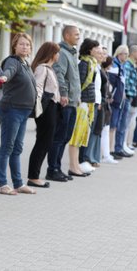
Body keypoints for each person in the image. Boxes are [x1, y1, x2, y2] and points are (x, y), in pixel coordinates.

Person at [0, 33, 37, 195]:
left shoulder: (26, 64)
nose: (25, 47)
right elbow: (9, 70)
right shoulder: (13, 61)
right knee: (7, 147)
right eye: (21, 44)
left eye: (27, 45)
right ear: (15, 46)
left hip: (24, 111)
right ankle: (2, 184)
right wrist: (5, 76)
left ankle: (18, 183)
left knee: (17, 148)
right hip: (12, 109)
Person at [46, 25, 81, 182]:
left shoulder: (72, 53)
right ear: (67, 35)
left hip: (73, 102)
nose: (78, 37)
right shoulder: (62, 52)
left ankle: (58, 168)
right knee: (59, 137)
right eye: (76, 34)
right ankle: (52, 169)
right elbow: (60, 75)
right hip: (65, 102)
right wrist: (64, 94)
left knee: (66, 137)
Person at [27, 42, 61, 188]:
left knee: (45, 141)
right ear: (52, 54)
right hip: (46, 109)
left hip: (52, 108)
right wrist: (37, 106)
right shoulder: (42, 68)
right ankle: (33, 176)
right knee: (43, 141)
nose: (58, 55)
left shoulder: (49, 69)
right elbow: (38, 87)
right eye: (57, 52)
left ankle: (35, 175)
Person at [67, 38, 100, 177]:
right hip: (82, 104)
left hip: (88, 103)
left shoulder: (91, 63)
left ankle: (76, 166)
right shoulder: (84, 63)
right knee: (76, 137)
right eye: (96, 47)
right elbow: (78, 83)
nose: (98, 50)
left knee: (81, 137)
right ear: (89, 49)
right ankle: (73, 167)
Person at [108, 45, 129, 159]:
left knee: (115, 125)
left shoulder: (122, 65)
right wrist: (111, 95)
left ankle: (112, 149)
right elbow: (112, 83)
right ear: (120, 53)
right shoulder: (114, 65)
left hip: (120, 99)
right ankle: (110, 151)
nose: (126, 56)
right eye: (125, 53)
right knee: (112, 125)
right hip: (115, 100)